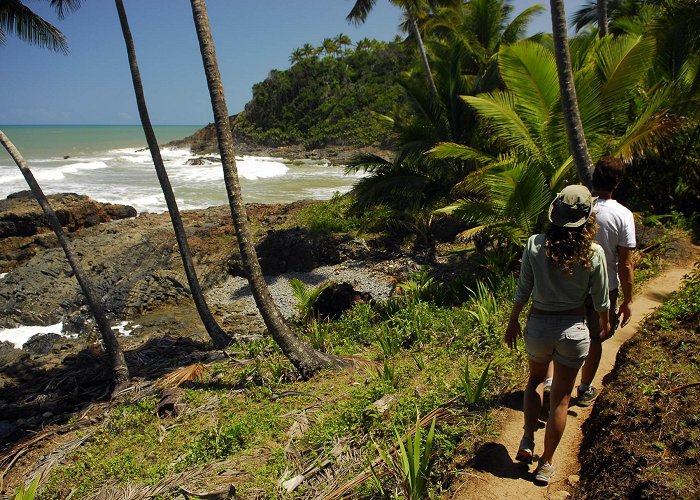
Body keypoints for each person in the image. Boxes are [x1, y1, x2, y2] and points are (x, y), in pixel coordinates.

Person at [505, 185, 610, 485]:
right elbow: (601, 299)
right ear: (587, 217)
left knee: (535, 380)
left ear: (555, 213)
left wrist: (513, 321)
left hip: (538, 326)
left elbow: (523, 288)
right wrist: (602, 323)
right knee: (562, 399)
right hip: (574, 331)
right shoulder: (594, 252)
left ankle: (527, 438)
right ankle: (547, 464)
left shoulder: (535, 244)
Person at [576, 157, 636, 406]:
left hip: (572, 283)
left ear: (593, 179)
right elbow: (625, 264)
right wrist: (629, 300)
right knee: (595, 337)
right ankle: (584, 389)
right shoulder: (623, 215)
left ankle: (551, 384)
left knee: (564, 330)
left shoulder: (578, 206)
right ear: (617, 183)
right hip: (605, 286)